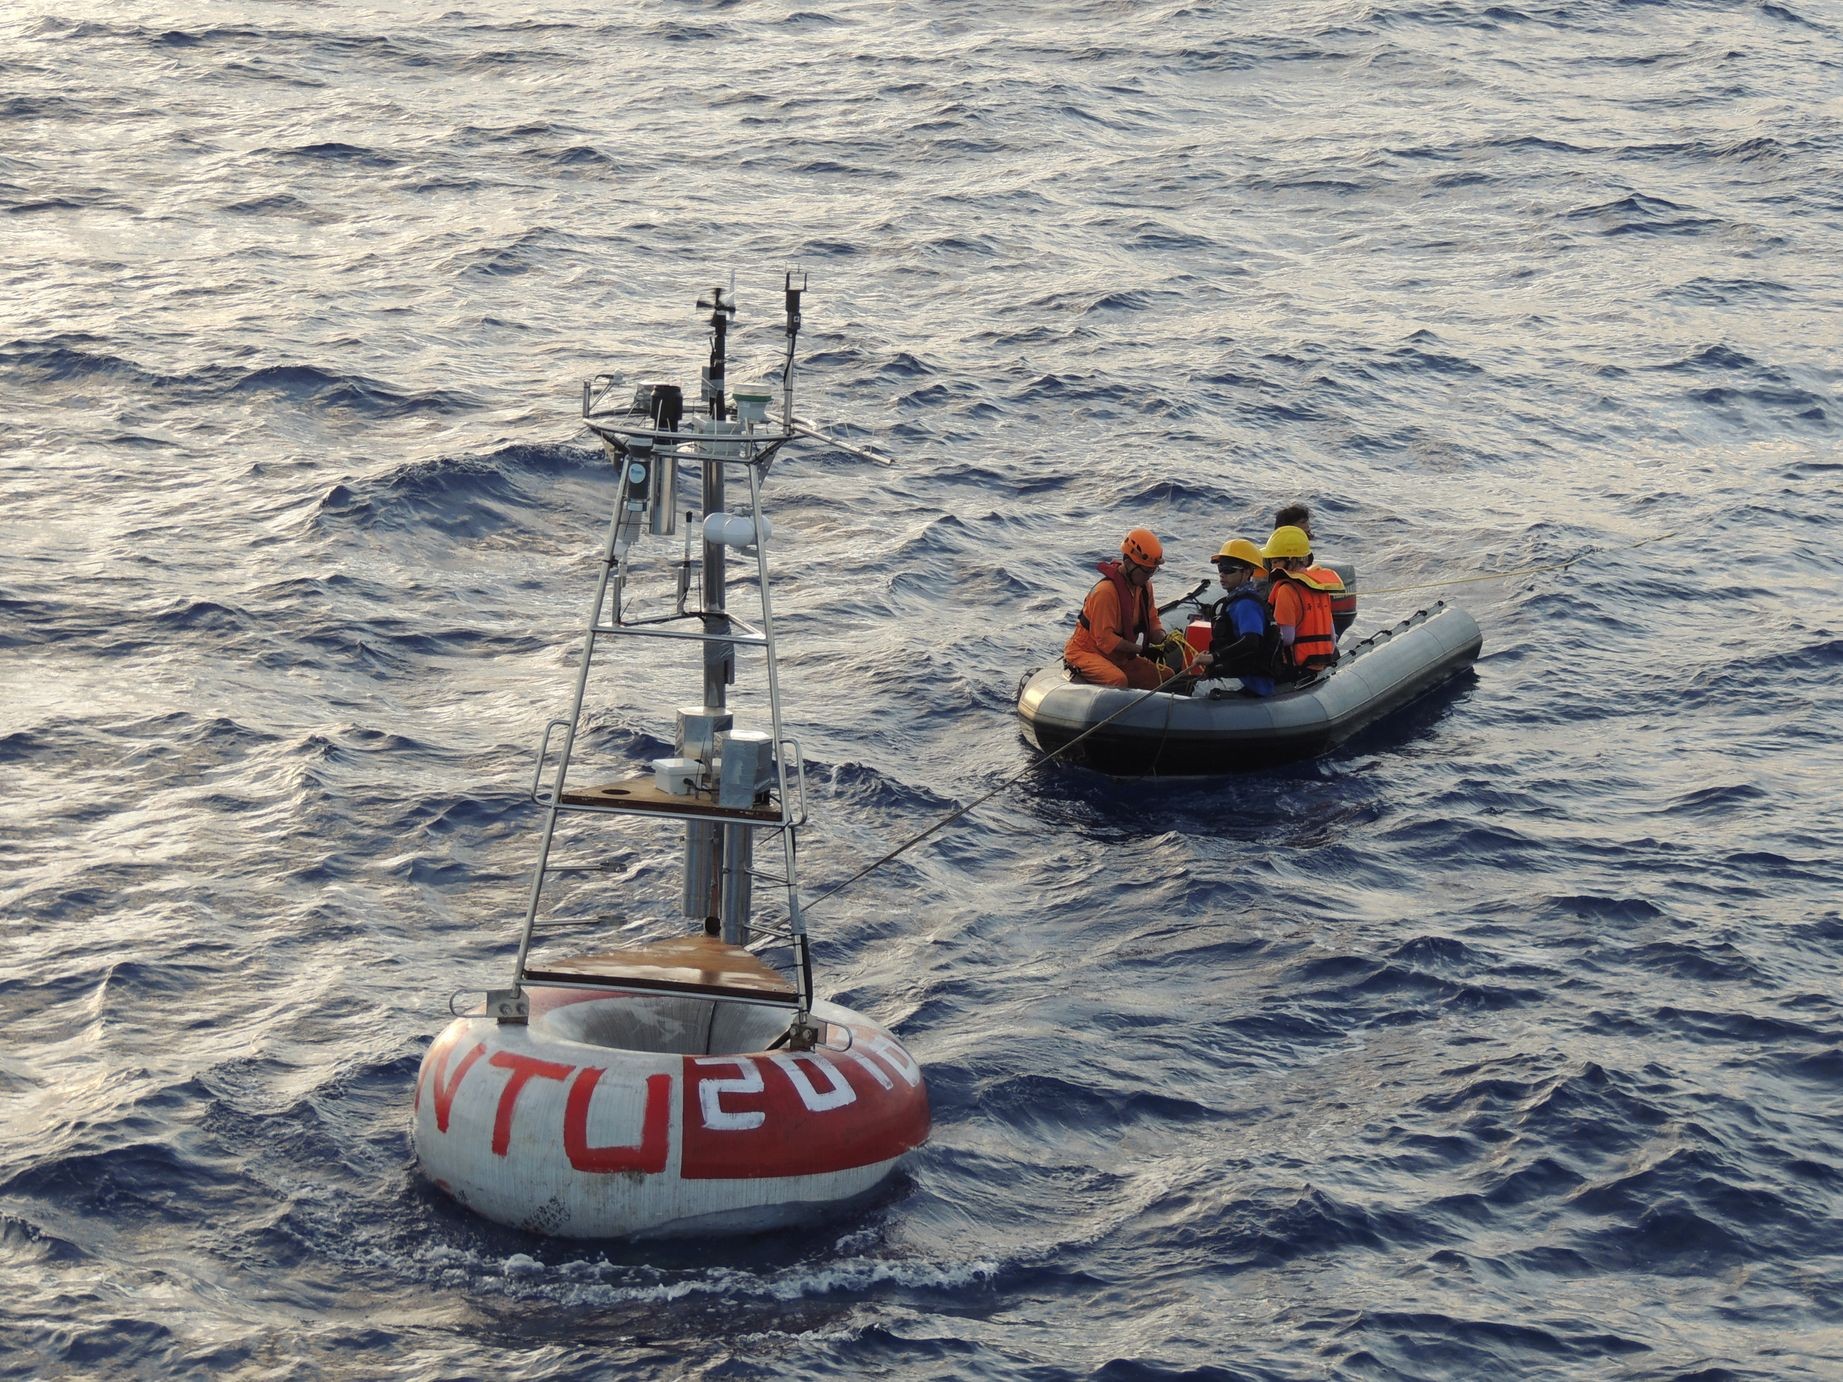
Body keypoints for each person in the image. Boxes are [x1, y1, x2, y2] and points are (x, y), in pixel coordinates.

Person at [1064, 527, 1178, 690]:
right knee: (1117, 680)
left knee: (1165, 677)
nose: (1149, 576)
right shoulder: (1105, 592)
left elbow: (1152, 620)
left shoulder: (1145, 588)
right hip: (1086, 652)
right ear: (1128, 562)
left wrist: (1164, 639)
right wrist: (1142, 650)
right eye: (1146, 570)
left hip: (1118, 657)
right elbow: (1105, 639)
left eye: (1153, 571)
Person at [1196, 538, 1279, 696]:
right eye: (1220, 568)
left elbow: (1251, 641)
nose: (1222, 574)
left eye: (1229, 570)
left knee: (1190, 690)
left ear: (1246, 572)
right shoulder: (1237, 601)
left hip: (1249, 680)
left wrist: (1214, 657)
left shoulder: (1246, 605)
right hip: (1237, 674)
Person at [1262, 524, 1341, 674]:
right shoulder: (1320, 586)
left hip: (1296, 668)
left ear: (1290, 560)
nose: (1272, 567)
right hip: (1322, 663)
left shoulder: (1286, 590)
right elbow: (1332, 635)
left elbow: (1287, 638)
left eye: (1275, 561)